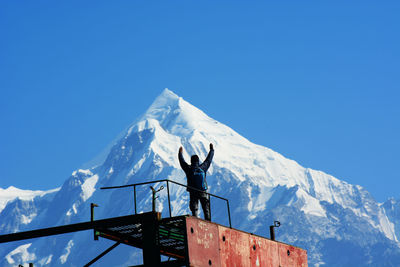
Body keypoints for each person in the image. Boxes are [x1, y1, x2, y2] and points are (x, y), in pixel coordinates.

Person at [178, 143, 214, 221]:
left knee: (194, 208)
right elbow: (209, 160)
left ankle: (195, 220)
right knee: (206, 208)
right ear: (198, 161)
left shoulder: (188, 169)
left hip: (193, 192)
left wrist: (180, 153)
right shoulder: (203, 167)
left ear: (191, 161)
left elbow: (182, 162)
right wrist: (211, 150)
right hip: (202, 191)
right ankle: (208, 221)